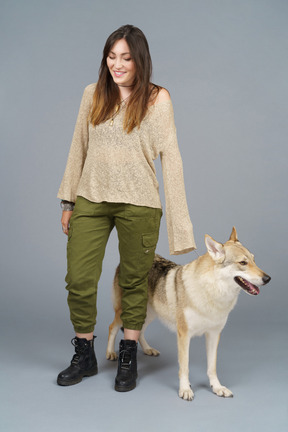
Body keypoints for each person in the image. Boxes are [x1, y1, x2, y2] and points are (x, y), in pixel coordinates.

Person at [57, 24, 196, 392]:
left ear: (140, 60)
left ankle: (129, 353)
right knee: (79, 278)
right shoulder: (93, 93)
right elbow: (78, 147)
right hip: (92, 195)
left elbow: (172, 158)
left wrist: (180, 227)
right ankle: (84, 353)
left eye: (126, 57)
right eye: (112, 56)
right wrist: (69, 200)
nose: (117, 64)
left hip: (140, 202)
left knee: (135, 280)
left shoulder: (157, 98)